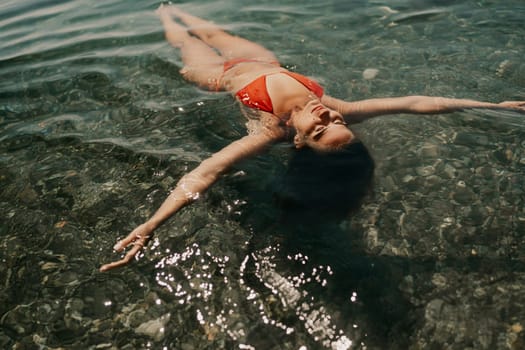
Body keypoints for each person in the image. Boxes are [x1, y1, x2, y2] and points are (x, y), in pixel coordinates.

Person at [99, 5, 524, 272]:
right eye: (334, 119)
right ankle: (179, 7)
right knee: (207, 28)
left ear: (300, 142)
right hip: (261, 59)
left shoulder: (269, 131)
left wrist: (150, 225)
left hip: (217, 77)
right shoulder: (335, 105)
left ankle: (162, 14)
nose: (324, 114)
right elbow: (416, 103)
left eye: (319, 127)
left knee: (182, 42)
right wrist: (492, 106)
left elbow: (203, 174)